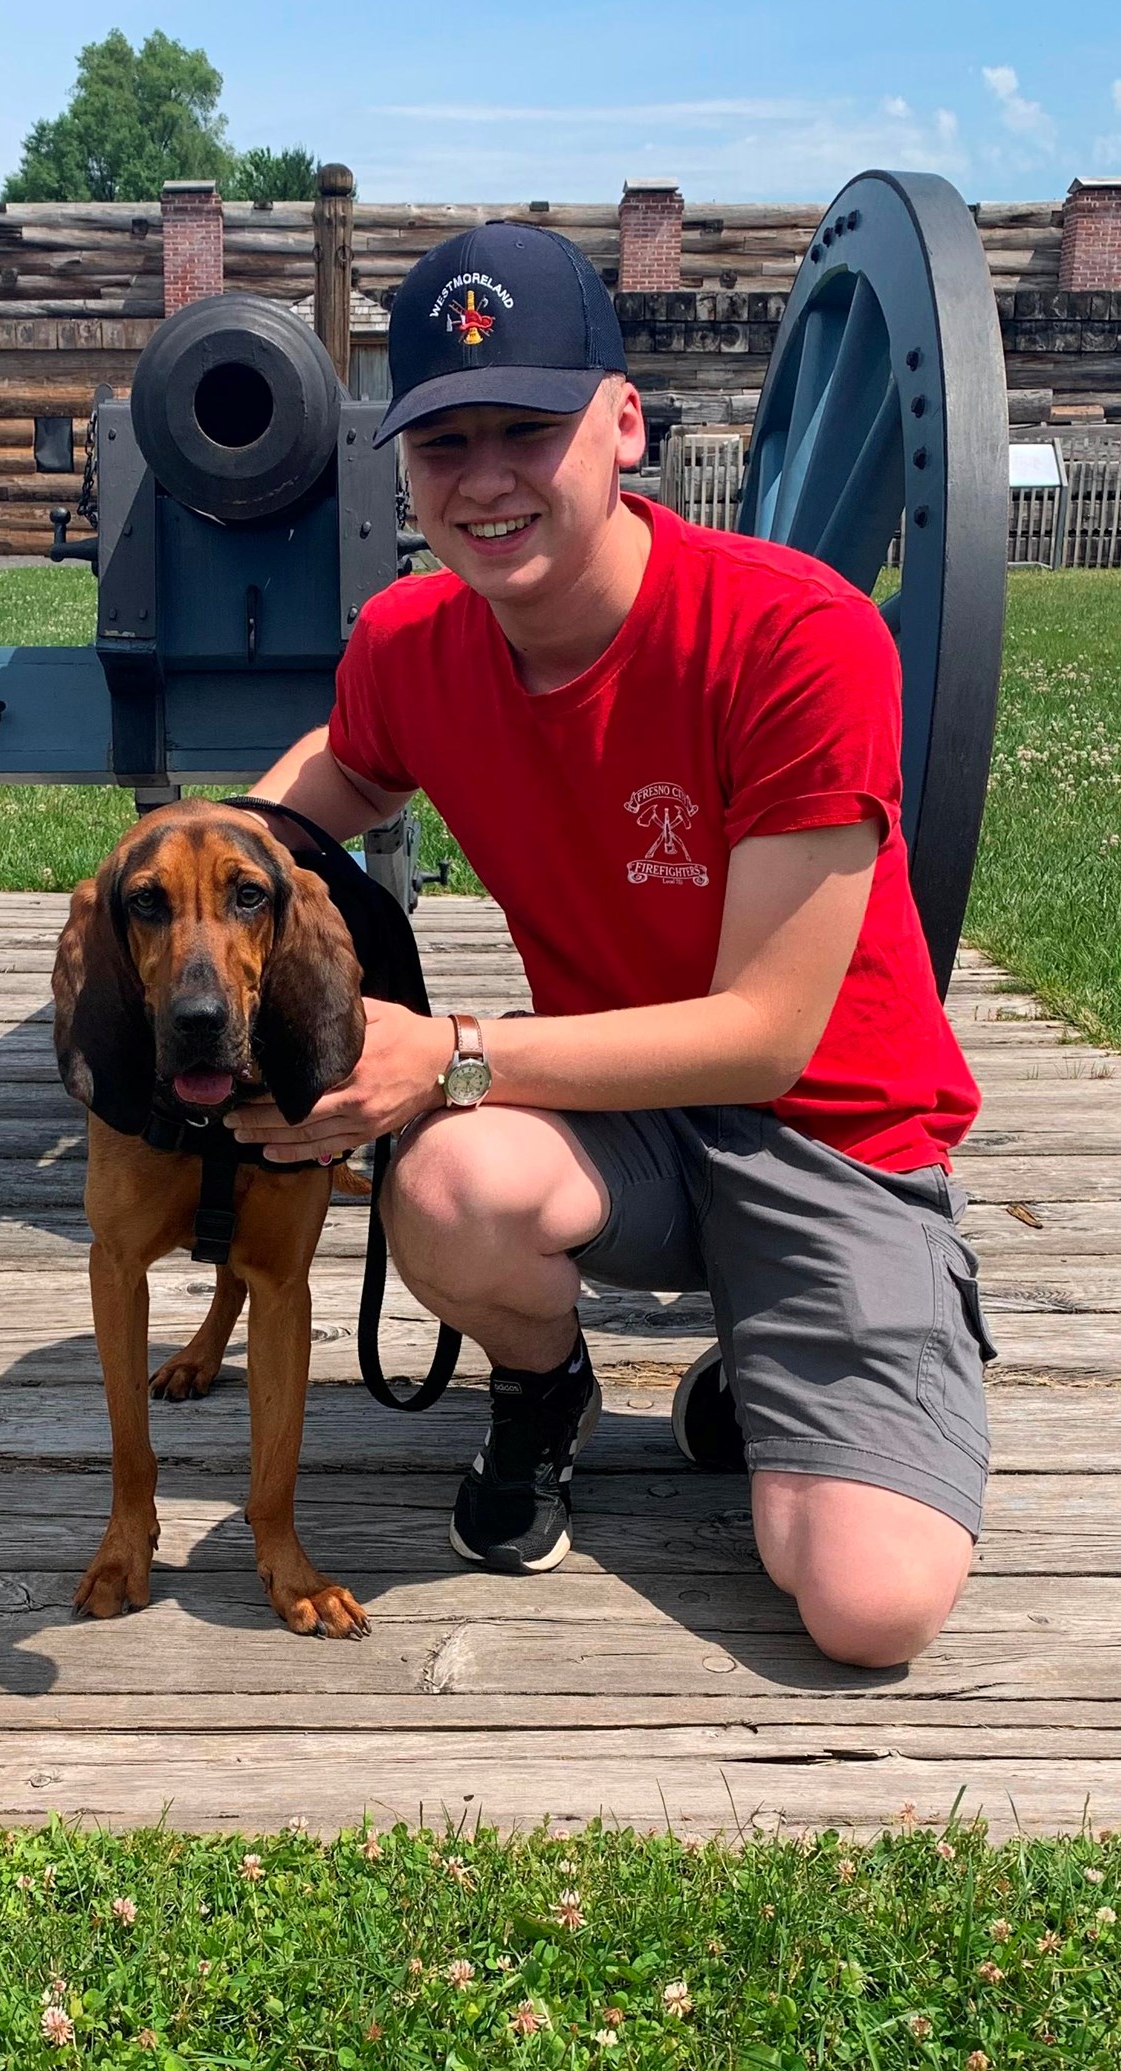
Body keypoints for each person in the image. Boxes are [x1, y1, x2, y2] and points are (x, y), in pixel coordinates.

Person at [232, 220, 995, 1671]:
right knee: (451, 1178)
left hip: (832, 1130)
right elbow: (344, 764)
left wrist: (449, 1052)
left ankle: (784, 1373)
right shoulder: (412, 643)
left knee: (867, 1609)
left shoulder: (797, 639)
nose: (486, 480)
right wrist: (208, 864)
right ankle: (546, 1391)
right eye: (443, 444)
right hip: (618, 1118)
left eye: (528, 426)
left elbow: (767, 1034)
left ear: (624, 423)